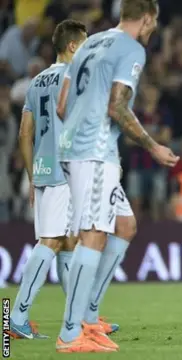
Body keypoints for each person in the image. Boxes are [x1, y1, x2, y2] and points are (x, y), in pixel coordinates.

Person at [56, 0, 179, 353]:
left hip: (80, 147)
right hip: (93, 153)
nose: (154, 28)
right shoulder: (131, 48)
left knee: (125, 226)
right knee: (93, 234)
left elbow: (64, 105)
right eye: (154, 22)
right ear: (147, 17)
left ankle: (90, 317)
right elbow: (117, 106)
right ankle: (70, 332)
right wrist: (154, 146)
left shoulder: (92, 41)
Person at [9, 19, 117, 340]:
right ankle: (16, 316)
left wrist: (31, 177)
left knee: (68, 243)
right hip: (66, 171)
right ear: (72, 46)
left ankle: (83, 318)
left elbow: (24, 133)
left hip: (43, 171)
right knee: (53, 242)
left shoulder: (36, 81)